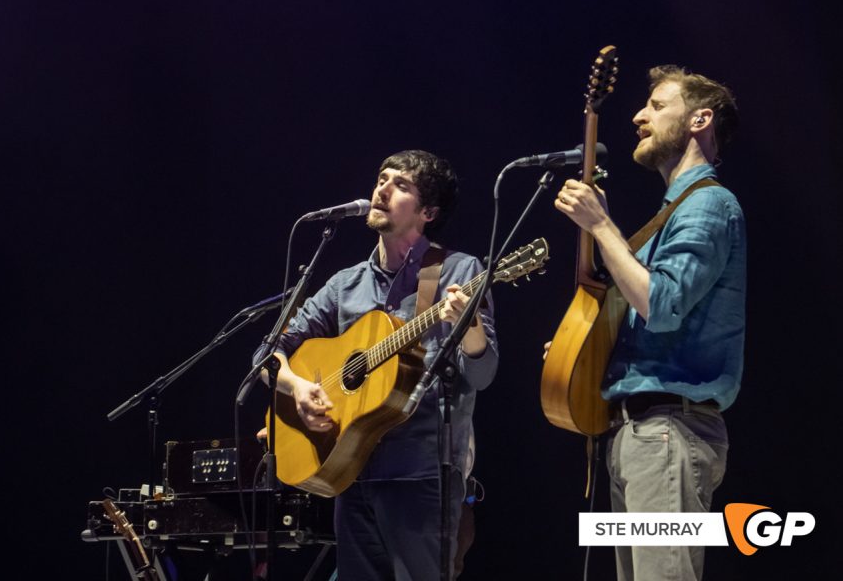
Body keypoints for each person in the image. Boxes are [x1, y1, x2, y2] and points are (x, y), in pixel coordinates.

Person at [265, 149, 497, 581]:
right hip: (350, 472)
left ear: (428, 212)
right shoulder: (344, 285)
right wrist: (297, 387)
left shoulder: (458, 272)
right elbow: (268, 354)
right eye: (382, 178)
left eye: (401, 185)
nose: (383, 188)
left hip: (421, 477)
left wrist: (469, 329)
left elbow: (481, 375)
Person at [554, 64, 745, 581]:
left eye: (658, 105)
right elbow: (637, 314)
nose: (639, 116)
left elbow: (661, 304)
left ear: (699, 119)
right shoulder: (674, 211)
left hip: (668, 433)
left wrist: (600, 225)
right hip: (640, 435)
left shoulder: (708, 204)